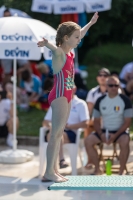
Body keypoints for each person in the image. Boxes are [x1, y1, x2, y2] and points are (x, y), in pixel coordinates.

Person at [37, 12, 99, 182]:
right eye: (76, 37)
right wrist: (46, 43)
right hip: (59, 95)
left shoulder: (70, 52)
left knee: (58, 135)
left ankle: (53, 170)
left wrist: (90, 24)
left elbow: (81, 34)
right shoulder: (60, 54)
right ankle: (49, 172)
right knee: (56, 134)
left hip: (66, 95)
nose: (79, 39)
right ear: (65, 38)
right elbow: (55, 49)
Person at [84, 76, 132, 175]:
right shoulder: (100, 100)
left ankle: (121, 171)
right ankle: (97, 169)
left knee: (125, 141)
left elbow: (127, 122)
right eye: (111, 85)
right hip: (104, 130)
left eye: (116, 85)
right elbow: (96, 121)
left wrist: (115, 135)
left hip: (120, 131)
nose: (114, 87)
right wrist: (101, 134)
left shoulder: (125, 100)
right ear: (106, 86)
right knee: (88, 141)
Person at [42, 85, 89, 171]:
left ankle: (52, 169)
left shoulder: (81, 104)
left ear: (74, 89)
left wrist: (69, 126)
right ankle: (61, 160)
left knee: (53, 135)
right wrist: (53, 125)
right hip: (55, 131)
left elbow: (85, 124)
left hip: (71, 132)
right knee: (54, 131)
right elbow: (45, 122)